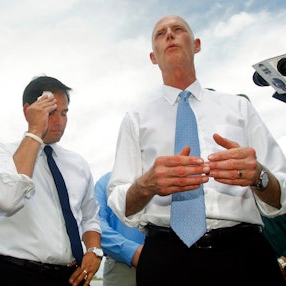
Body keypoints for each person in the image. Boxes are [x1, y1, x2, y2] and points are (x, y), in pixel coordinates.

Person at [107, 15, 286, 285]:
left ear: (197, 44)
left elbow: (281, 194)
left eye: (178, 29)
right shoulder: (135, 119)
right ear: (153, 57)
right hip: (167, 260)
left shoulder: (239, 108)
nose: (169, 35)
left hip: (245, 255)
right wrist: (146, 185)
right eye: (160, 33)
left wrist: (259, 175)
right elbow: (119, 201)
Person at [0, 75, 102, 286]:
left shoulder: (78, 163)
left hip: (70, 277)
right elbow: (8, 199)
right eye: (51, 112)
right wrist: (35, 130)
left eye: (64, 113)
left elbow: (89, 217)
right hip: (14, 275)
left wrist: (94, 251)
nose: (60, 122)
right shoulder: (1, 153)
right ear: (29, 111)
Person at [94, 172, 144, 286]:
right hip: (120, 267)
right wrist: (133, 252)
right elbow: (96, 223)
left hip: (167, 261)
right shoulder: (104, 183)